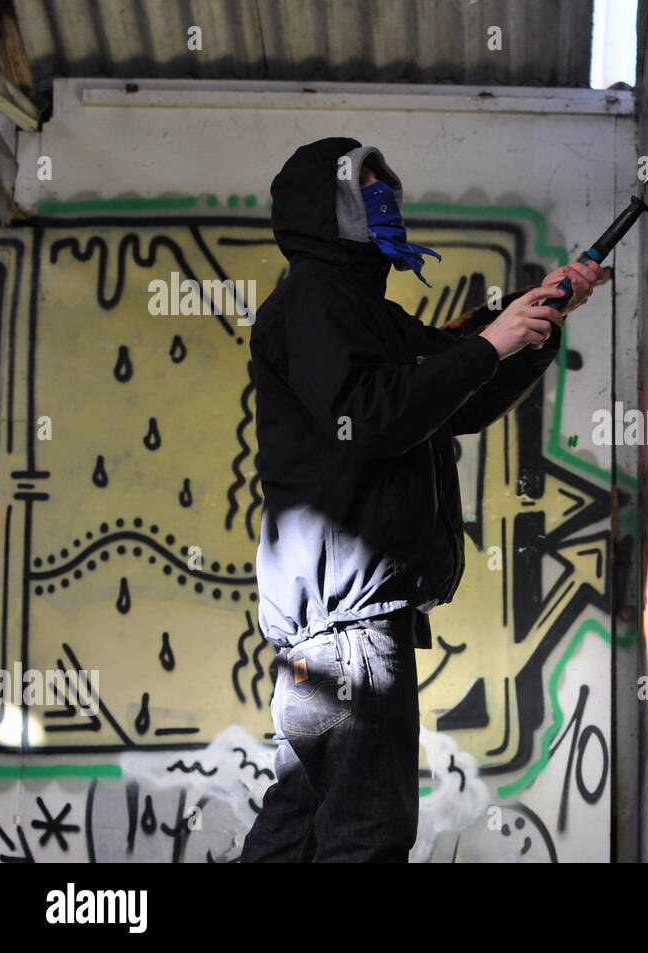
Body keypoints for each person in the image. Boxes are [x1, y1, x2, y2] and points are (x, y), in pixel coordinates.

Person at [239, 137, 604, 862]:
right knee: (366, 834)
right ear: (327, 205)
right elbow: (368, 414)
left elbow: (452, 396)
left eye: (387, 188)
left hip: (330, 627)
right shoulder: (316, 295)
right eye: (368, 189)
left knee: (296, 829)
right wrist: (489, 343)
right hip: (351, 627)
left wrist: (530, 327)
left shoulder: (360, 311)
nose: (387, 200)